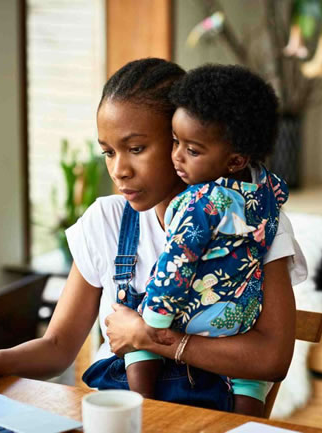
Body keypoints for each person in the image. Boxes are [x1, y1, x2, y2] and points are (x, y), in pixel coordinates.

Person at [0, 58, 305, 414]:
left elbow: (271, 359)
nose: (119, 170)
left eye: (136, 148)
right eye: (108, 152)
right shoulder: (106, 221)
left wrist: (149, 338)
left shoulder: (254, 223)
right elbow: (57, 347)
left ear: (179, 137)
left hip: (209, 415)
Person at [102, 64, 287, 417]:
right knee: (249, 391)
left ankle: (142, 409)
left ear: (234, 159)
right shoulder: (268, 190)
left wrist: (151, 329)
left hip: (192, 322)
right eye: (175, 142)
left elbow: (176, 264)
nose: (178, 156)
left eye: (192, 149)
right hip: (237, 323)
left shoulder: (198, 204)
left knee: (139, 332)